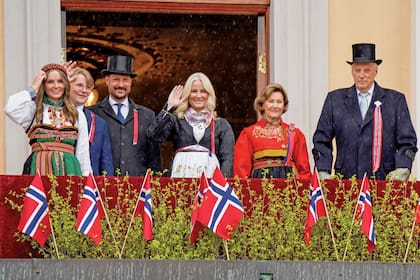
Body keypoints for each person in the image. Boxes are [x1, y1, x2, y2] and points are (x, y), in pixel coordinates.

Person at [312, 43, 417, 180]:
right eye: (357, 70)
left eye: (366, 70)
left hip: (384, 180)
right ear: (352, 72)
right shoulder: (335, 100)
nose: (361, 75)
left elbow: (408, 141)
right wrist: (323, 170)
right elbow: (321, 140)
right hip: (346, 180)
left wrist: (403, 167)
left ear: (376, 71)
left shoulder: (395, 101)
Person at [4, 63, 91, 176]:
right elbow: (10, 108)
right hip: (38, 169)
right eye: (50, 82)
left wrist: (87, 185)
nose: (56, 86)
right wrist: (33, 88)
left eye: (60, 81)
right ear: (43, 84)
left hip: (70, 171)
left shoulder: (77, 114)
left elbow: (83, 154)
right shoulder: (33, 110)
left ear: (65, 84)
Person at [146, 72, 235, 178]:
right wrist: (169, 107)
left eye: (203, 91)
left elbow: (227, 159)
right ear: (188, 94)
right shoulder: (177, 120)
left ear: (209, 94)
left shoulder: (221, 124)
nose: (198, 95)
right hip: (180, 174)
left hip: (211, 178)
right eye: (193, 91)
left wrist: (222, 184)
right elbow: (153, 135)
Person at [88, 55, 161, 176]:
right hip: (103, 187)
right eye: (116, 79)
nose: (121, 85)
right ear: (107, 80)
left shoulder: (147, 116)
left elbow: (154, 160)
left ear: (131, 82)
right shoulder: (93, 113)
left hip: (139, 189)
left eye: (125, 80)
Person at [233, 83, 311, 181]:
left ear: (284, 105)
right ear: (262, 105)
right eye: (270, 101)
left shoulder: (295, 134)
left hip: (289, 189)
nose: (275, 106)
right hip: (258, 189)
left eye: (279, 102)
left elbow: (304, 170)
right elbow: (241, 171)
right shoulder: (248, 134)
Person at [69, 67, 114, 176]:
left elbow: (106, 164)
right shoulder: (54, 114)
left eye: (88, 87)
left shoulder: (99, 123)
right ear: (67, 86)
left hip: (89, 187)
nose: (84, 90)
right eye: (79, 85)